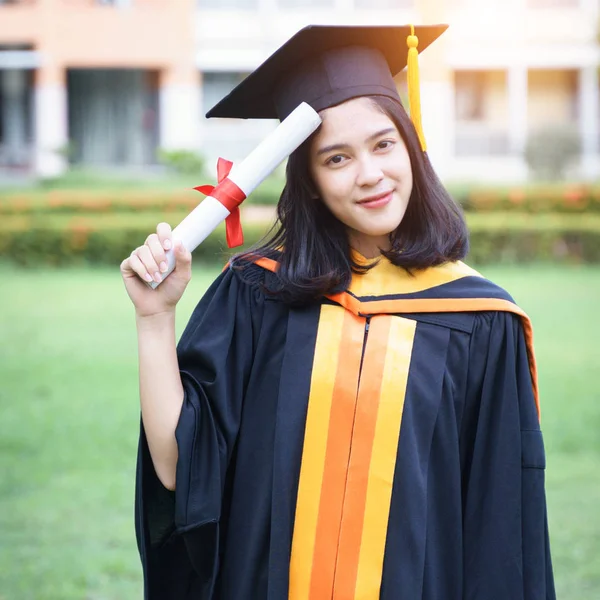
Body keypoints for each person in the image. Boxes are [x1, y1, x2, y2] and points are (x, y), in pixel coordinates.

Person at [121, 24, 556, 600]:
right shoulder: (258, 295)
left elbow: (501, 527)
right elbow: (179, 470)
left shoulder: (481, 319)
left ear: (411, 145)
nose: (370, 174)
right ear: (311, 182)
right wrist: (154, 320)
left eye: (383, 145)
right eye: (336, 158)